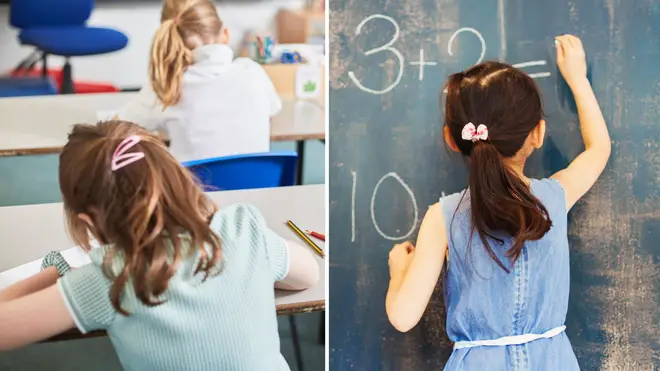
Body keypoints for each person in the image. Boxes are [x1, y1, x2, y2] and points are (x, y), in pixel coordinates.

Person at [0, 121, 319, 371]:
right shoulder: (243, 228)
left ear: (87, 221)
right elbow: (308, 275)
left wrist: (58, 273)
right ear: (176, 178)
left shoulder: (109, 278)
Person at [385, 35, 611, 370]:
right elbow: (599, 150)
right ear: (538, 133)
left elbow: (403, 317)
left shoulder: (443, 217)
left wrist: (398, 272)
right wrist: (577, 79)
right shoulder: (554, 198)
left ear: (452, 137)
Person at [116, 0, 282, 162]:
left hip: (192, 189)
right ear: (225, 34)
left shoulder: (169, 85)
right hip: (257, 187)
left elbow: (116, 128)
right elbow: (271, 114)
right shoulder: (253, 72)